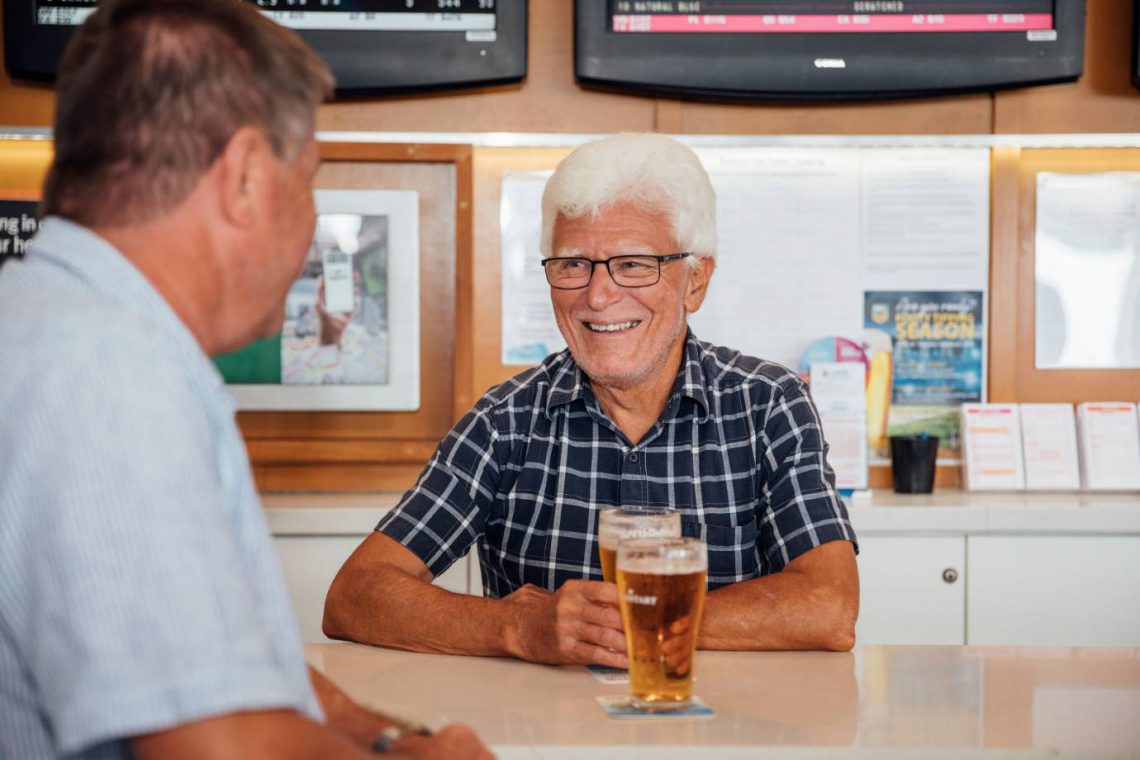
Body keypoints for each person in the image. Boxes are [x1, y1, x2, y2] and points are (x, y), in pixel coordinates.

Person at [0, 1, 490, 758]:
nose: (311, 214)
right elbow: (216, 744)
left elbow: (215, 670)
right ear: (246, 177)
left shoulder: (47, 324)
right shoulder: (111, 370)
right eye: (309, 180)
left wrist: (380, 736)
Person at [323, 133, 860, 666]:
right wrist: (515, 626)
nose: (598, 296)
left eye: (633, 264)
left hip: (725, 732)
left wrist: (637, 620)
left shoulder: (768, 404)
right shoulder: (504, 421)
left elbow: (828, 605)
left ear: (695, 280)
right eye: (572, 265)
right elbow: (355, 596)